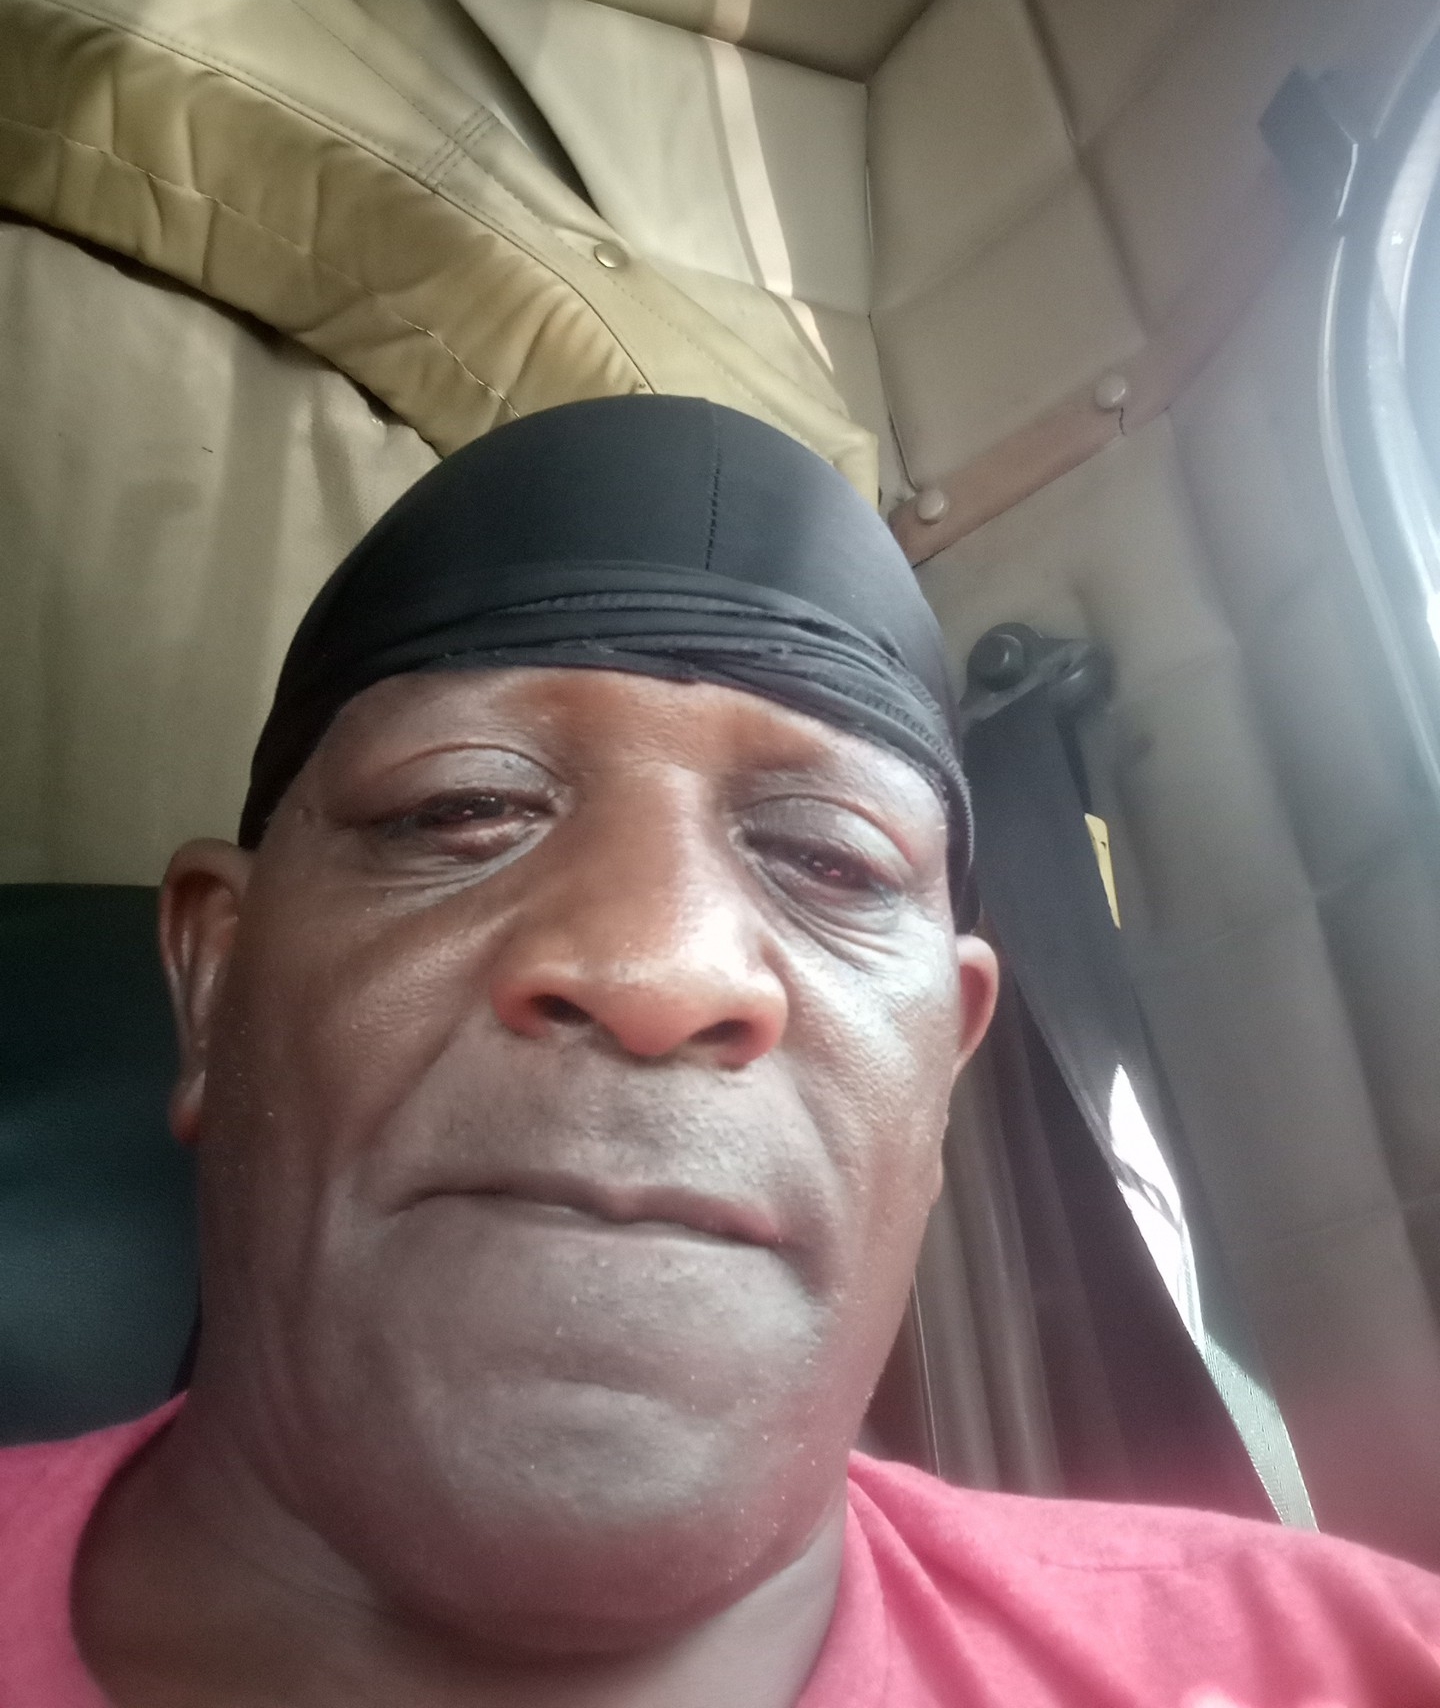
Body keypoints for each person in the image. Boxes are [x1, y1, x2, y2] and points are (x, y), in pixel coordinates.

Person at [2, 395, 1438, 1708]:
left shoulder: (1357, 1669)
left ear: (944, 1070)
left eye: (832, 860)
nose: (661, 970)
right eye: (461, 807)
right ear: (214, 982)